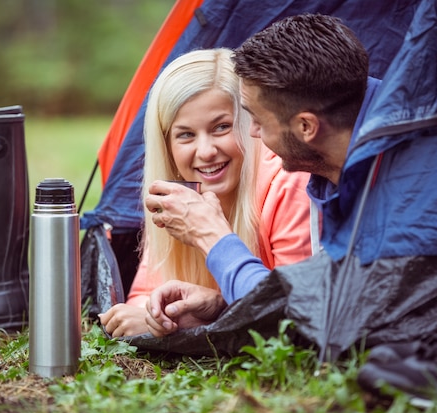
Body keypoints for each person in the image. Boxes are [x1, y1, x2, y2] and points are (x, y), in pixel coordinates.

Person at [144, 14, 380, 337]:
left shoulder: (396, 180)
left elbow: (306, 322)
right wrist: (221, 310)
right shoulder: (332, 172)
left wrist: (211, 237)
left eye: (253, 119)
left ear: (306, 127)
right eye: (185, 135)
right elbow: (310, 304)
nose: (253, 133)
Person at [98, 48, 313, 337]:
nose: (207, 152)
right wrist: (155, 317)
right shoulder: (175, 199)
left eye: (221, 127)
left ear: (249, 123)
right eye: (185, 134)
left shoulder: (289, 182)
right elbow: (143, 296)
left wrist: (217, 310)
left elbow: (296, 317)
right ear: (168, 147)